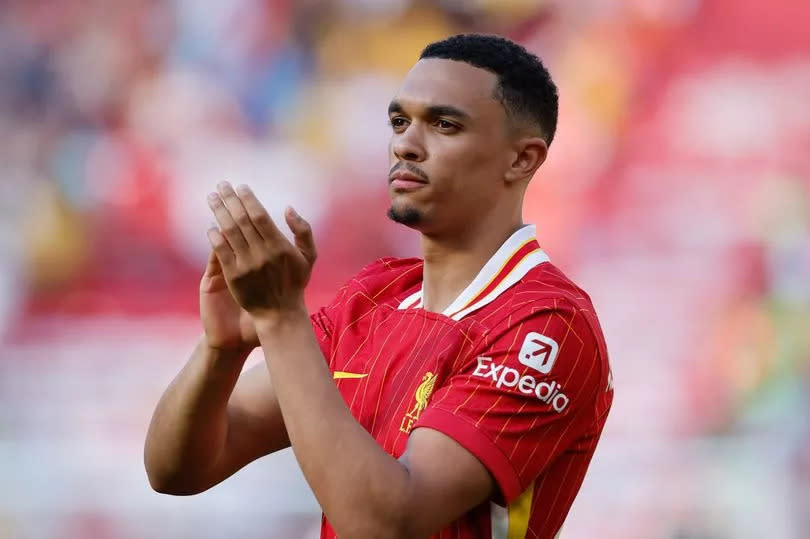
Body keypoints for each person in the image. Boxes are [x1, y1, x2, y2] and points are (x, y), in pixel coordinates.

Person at [144, 33, 613, 539]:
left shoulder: (547, 325)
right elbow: (177, 471)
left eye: (444, 124)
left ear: (521, 159)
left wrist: (281, 319)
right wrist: (221, 350)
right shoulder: (374, 296)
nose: (406, 144)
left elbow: (385, 523)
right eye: (399, 121)